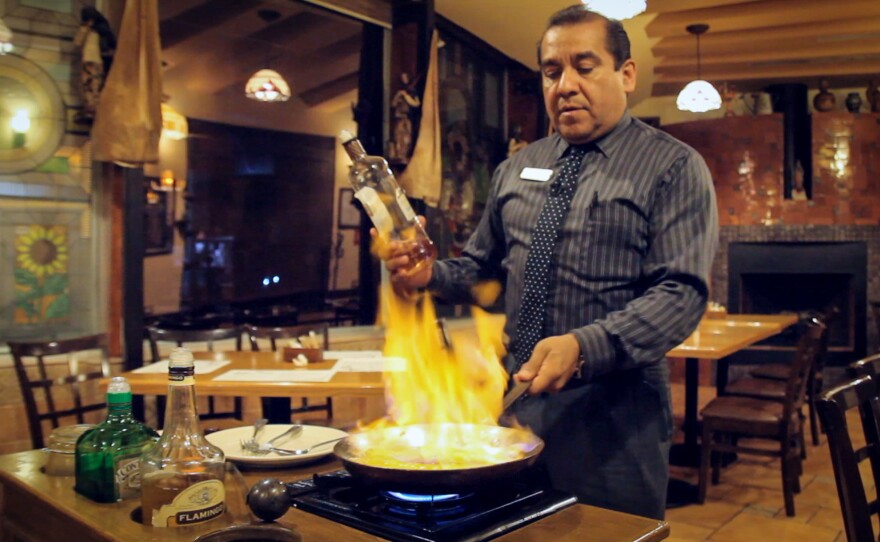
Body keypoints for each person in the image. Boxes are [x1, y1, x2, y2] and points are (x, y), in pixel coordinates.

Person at [380, 5, 718, 520]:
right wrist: (428, 275)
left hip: (614, 418)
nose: (566, 86)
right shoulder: (517, 167)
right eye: (552, 71)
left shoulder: (673, 166)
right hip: (514, 406)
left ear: (626, 74)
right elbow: (484, 271)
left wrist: (583, 347)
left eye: (585, 67)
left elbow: (681, 294)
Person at [73, 7, 116, 123]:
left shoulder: (102, 29)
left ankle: (94, 108)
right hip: (88, 61)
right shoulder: (86, 29)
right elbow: (78, 41)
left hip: (97, 62)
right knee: (87, 86)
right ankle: (90, 108)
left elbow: (110, 43)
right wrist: (85, 27)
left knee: (94, 86)